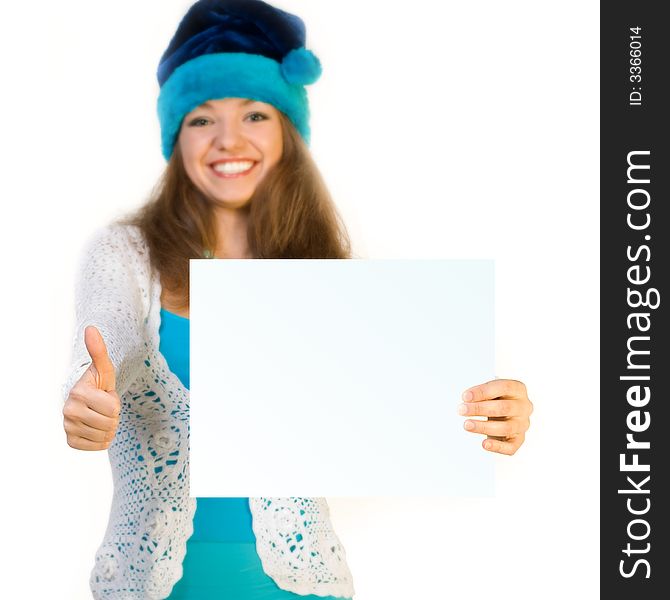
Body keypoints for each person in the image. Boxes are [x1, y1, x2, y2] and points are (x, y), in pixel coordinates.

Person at [61, 1, 533, 598]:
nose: (228, 139)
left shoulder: (326, 280)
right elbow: (109, 355)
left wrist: (493, 415)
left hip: (305, 587)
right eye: (202, 118)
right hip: (152, 585)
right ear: (176, 136)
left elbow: (403, 406)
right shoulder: (124, 256)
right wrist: (87, 400)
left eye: (255, 113)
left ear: (287, 130)